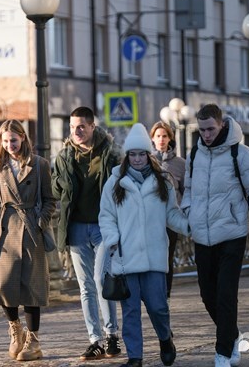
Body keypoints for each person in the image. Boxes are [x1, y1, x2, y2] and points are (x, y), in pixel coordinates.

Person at [180, 104, 249, 367]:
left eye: (210, 129)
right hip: (202, 237)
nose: (206, 135)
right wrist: (189, 212)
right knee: (207, 295)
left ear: (221, 124)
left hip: (232, 233)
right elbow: (188, 190)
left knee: (225, 294)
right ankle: (232, 334)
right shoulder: (195, 154)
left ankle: (222, 353)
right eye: (202, 130)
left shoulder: (240, 154)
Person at [99, 123, 188, 367]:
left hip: (154, 256)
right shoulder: (115, 182)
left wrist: (190, 226)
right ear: (127, 156)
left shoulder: (163, 182)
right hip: (125, 258)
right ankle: (135, 357)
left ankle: (165, 338)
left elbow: (172, 214)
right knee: (130, 312)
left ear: (148, 155)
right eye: (133, 154)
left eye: (141, 154)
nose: (137, 159)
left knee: (158, 307)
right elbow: (106, 216)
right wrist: (113, 240)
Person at [0, 120, 56, 362]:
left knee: (32, 287)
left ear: (23, 138)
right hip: (6, 232)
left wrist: (40, 220)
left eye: (13, 140)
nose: (10, 145)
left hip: (31, 230)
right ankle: (15, 329)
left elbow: (50, 200)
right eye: (5, 141)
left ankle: (33, 341)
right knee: (4, 284)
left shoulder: (40, 165)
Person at [52, 106, 123, 360]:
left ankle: (112, 334)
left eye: (81, 126)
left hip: (104, 227)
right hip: (76, 228)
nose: (76, 131)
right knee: (85, 286)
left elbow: (123, 184)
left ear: (93, 126)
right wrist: (60, 185)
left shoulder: (110, 153)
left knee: (102, 280)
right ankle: (95, 340)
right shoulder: (64, 156)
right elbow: (56, 189)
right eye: (72, 127)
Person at [150, 121, 185, 297]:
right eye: (158, 136)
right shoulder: (145, 160)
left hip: (171, 219)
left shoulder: (180, 163)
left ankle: (166, 295)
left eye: (165, 136)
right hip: (150, 219)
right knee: (152, 258)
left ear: (170, 138)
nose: (161, 140)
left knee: (167, 259)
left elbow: (186, 191)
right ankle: (153, 294)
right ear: (152, 139)